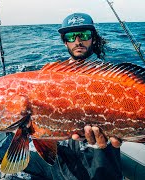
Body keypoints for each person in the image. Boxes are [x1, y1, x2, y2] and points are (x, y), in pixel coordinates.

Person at [22, 13, 123, 180]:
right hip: (64, 167)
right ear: (65, 41)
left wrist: (121, 132)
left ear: (93, 38)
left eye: (84, 35)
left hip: (102, 164)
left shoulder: (109, 76)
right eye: (71, 36)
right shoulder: (51, 75)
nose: (78, 41)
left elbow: (127, 114)